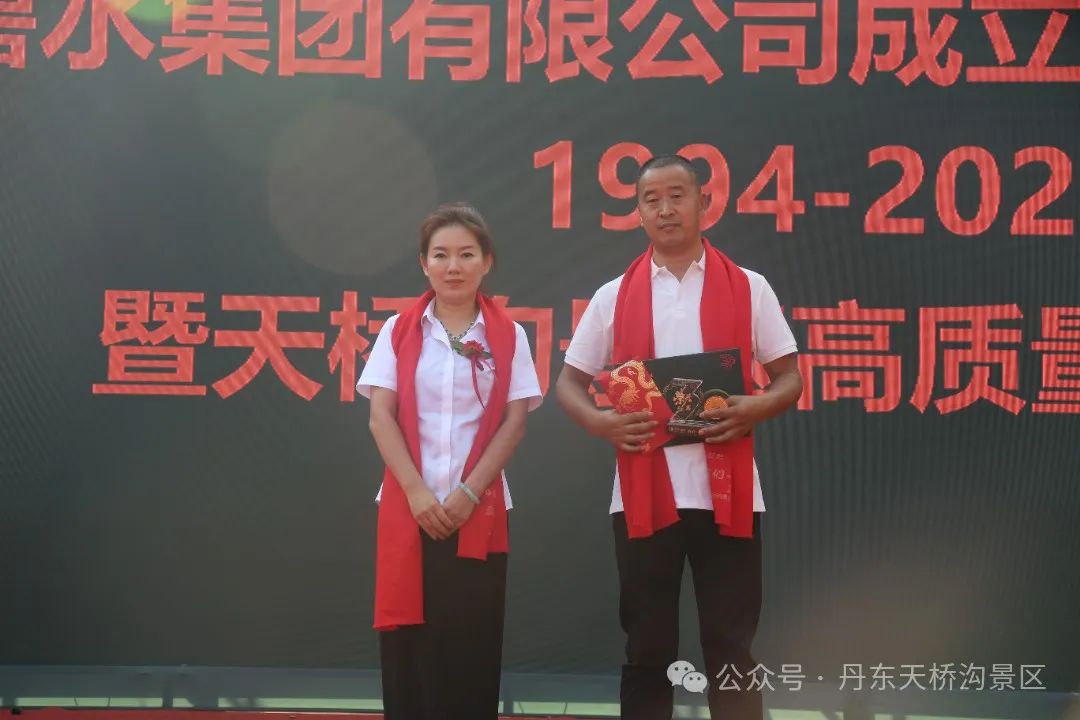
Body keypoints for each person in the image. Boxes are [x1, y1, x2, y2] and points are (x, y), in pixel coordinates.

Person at [555, 155, 803, 719]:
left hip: (730, 496)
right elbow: (568, 384)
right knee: (648, 649)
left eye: (677, 195)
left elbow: (789, 378)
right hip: (642, 495)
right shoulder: (613, 295)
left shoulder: (750, 287)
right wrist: (602, 422)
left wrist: (755, 406)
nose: (665, 209)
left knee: (731, 648)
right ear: (639, 212)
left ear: (703, 203)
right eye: (651, 200)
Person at [356, 202, 543, 720]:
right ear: (424, 264)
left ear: (487, 261)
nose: (453, 266)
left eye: (466, 254)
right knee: (409, 653)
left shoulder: (509, 336)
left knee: (470, 650)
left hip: (478, 512)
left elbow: (514, 423)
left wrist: (468, 492)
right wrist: (418, 492)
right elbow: (380, 417)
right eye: (440, 255)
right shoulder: (398, 330)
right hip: (408, 508)